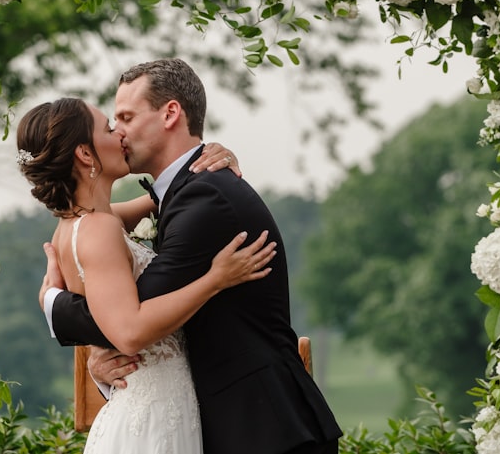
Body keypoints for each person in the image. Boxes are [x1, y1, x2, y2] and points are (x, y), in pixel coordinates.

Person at [41, 58, 342, 454]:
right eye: (111, 124)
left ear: (170, 114)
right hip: (232, 423)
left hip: (266, 429)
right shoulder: (179, 195)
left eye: (126, 118)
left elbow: (132, 318)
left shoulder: (205, 198)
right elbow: (87, 230)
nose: (119, 133)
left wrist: (53, 302)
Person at [17, 97, 276, 453]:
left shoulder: (84, 223)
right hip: (150, 420)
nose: (120, 134)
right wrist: (215, 279)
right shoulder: (97, 230)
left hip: (161, 408)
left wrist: (211, 155)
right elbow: (130, 333)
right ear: (85, 154)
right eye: (109, 127)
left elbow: (174, 195)